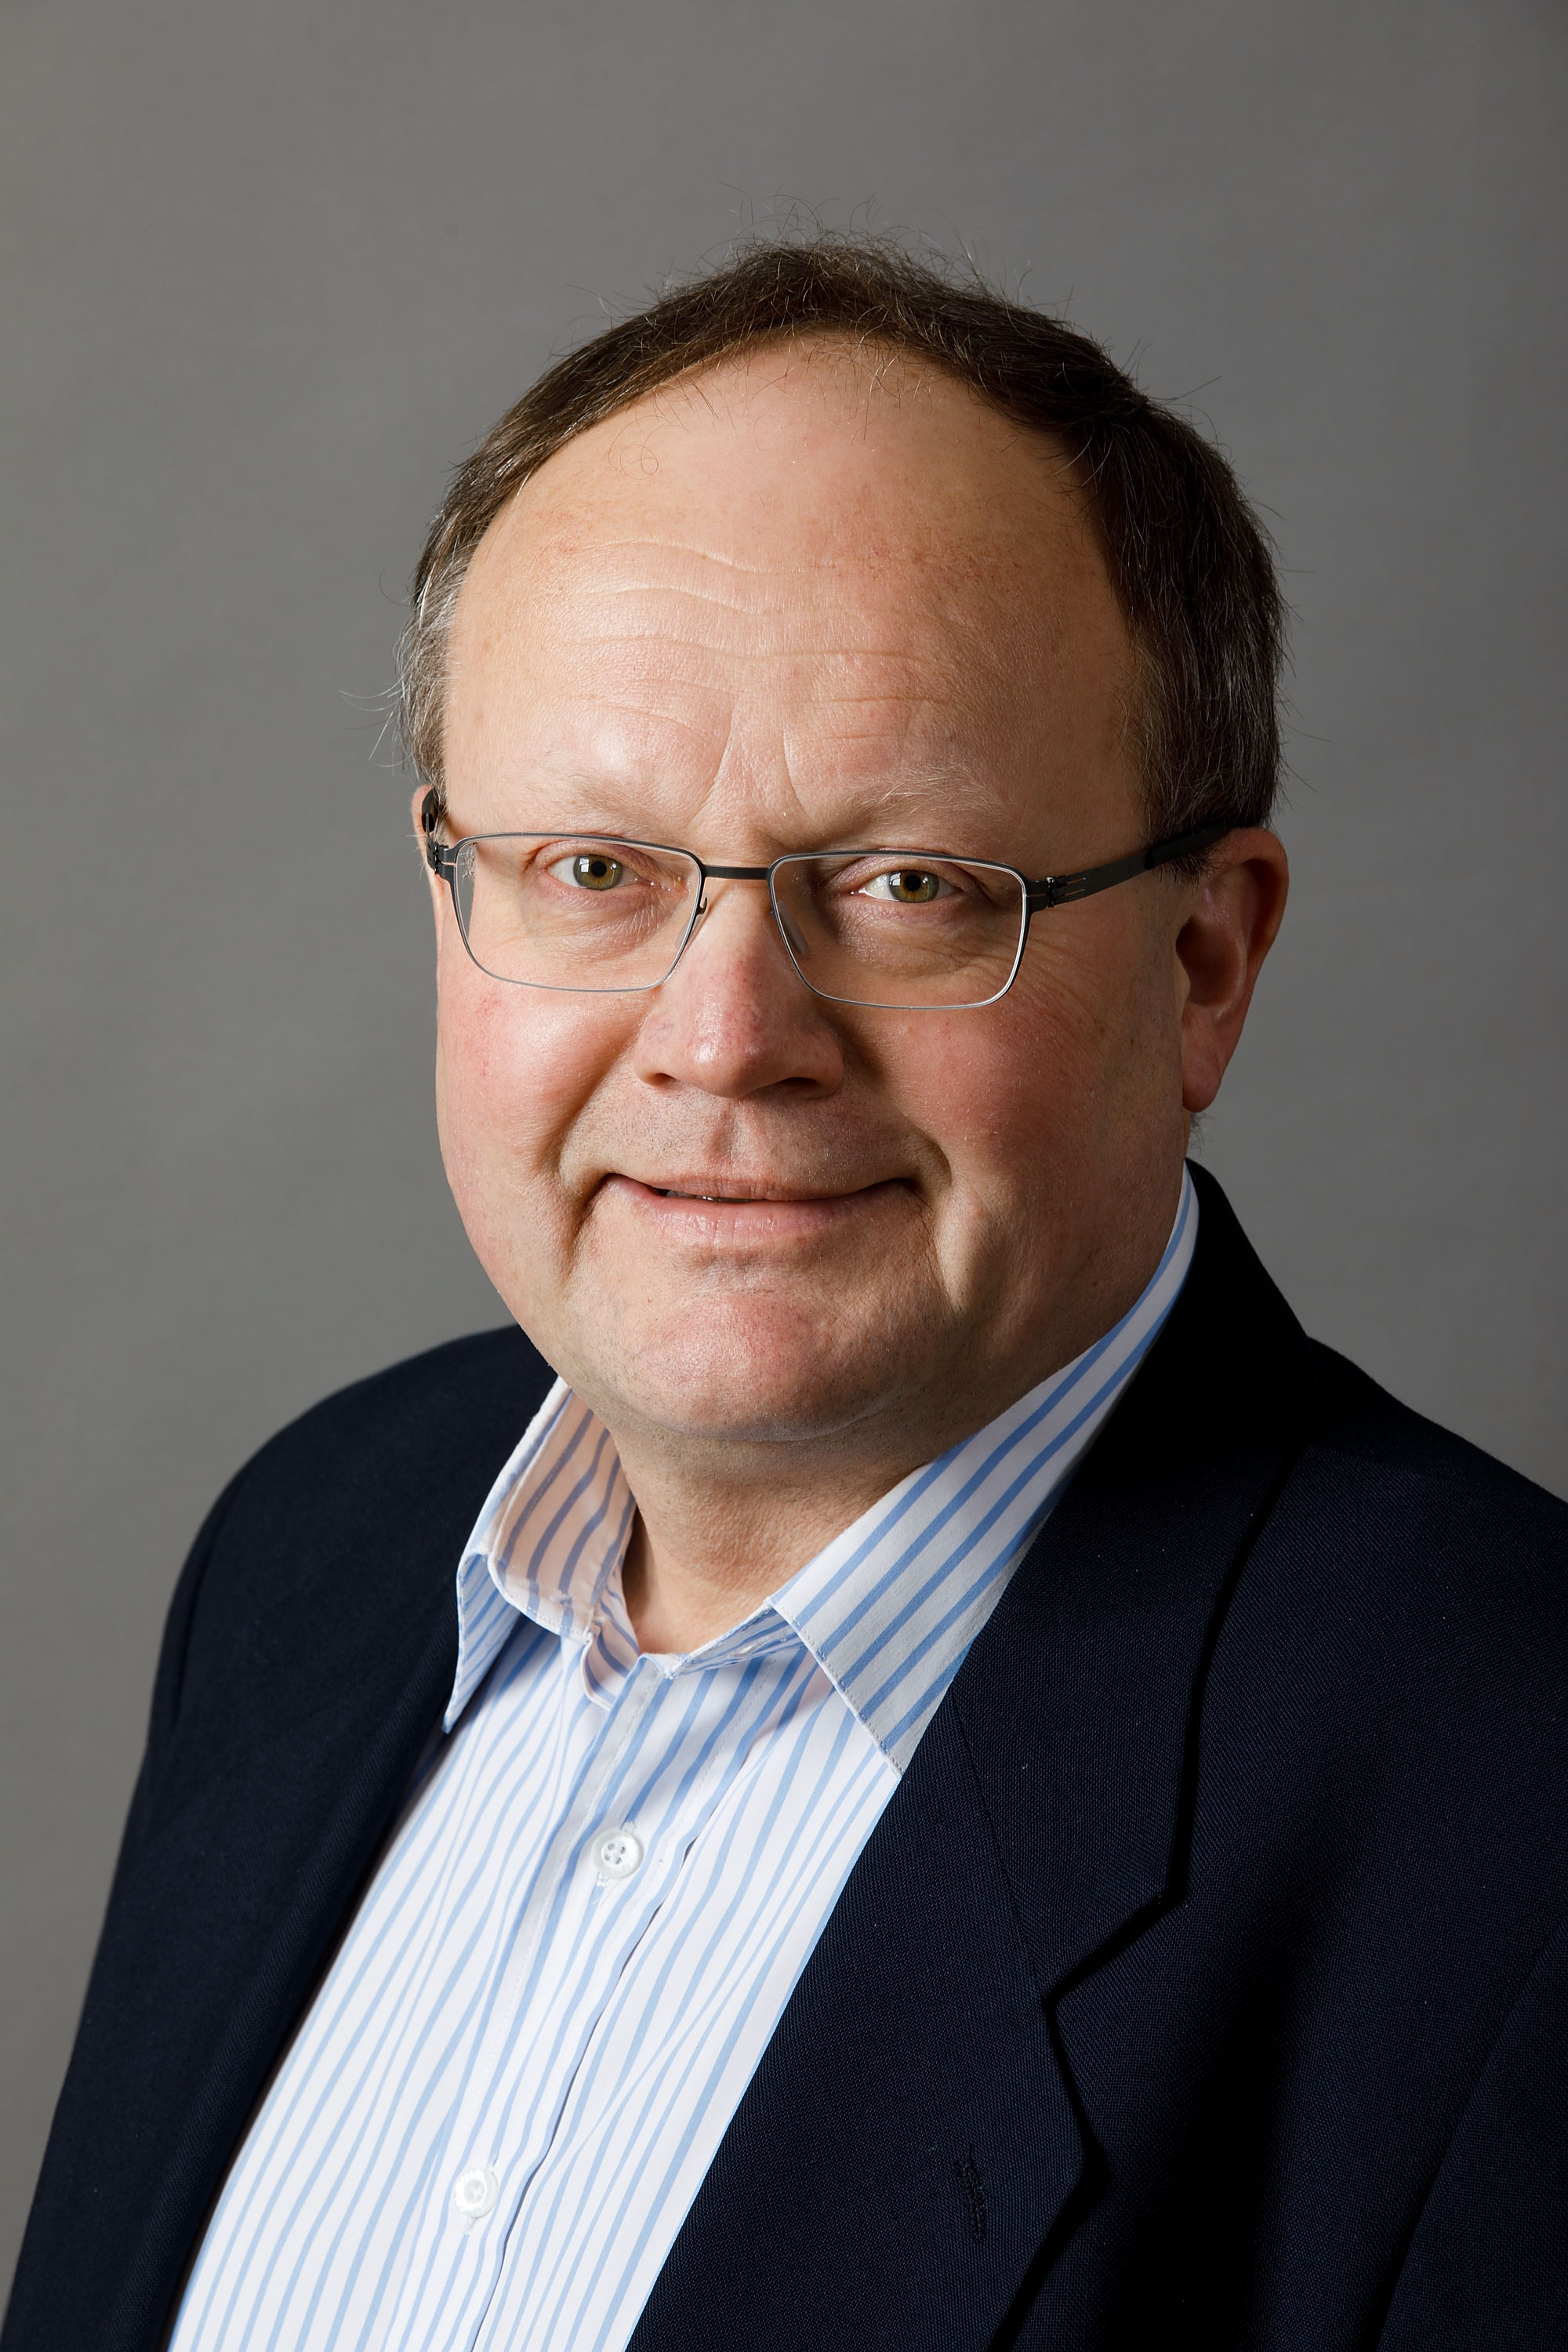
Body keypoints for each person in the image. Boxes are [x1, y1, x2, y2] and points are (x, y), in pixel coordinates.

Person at [7, 238, 1566, 2352]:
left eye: (909, 887)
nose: (726, 1037)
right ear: (450, 894)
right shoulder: (310, 1554)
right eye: (591, 872)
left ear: (1205, 963)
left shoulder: (1510, 1810)